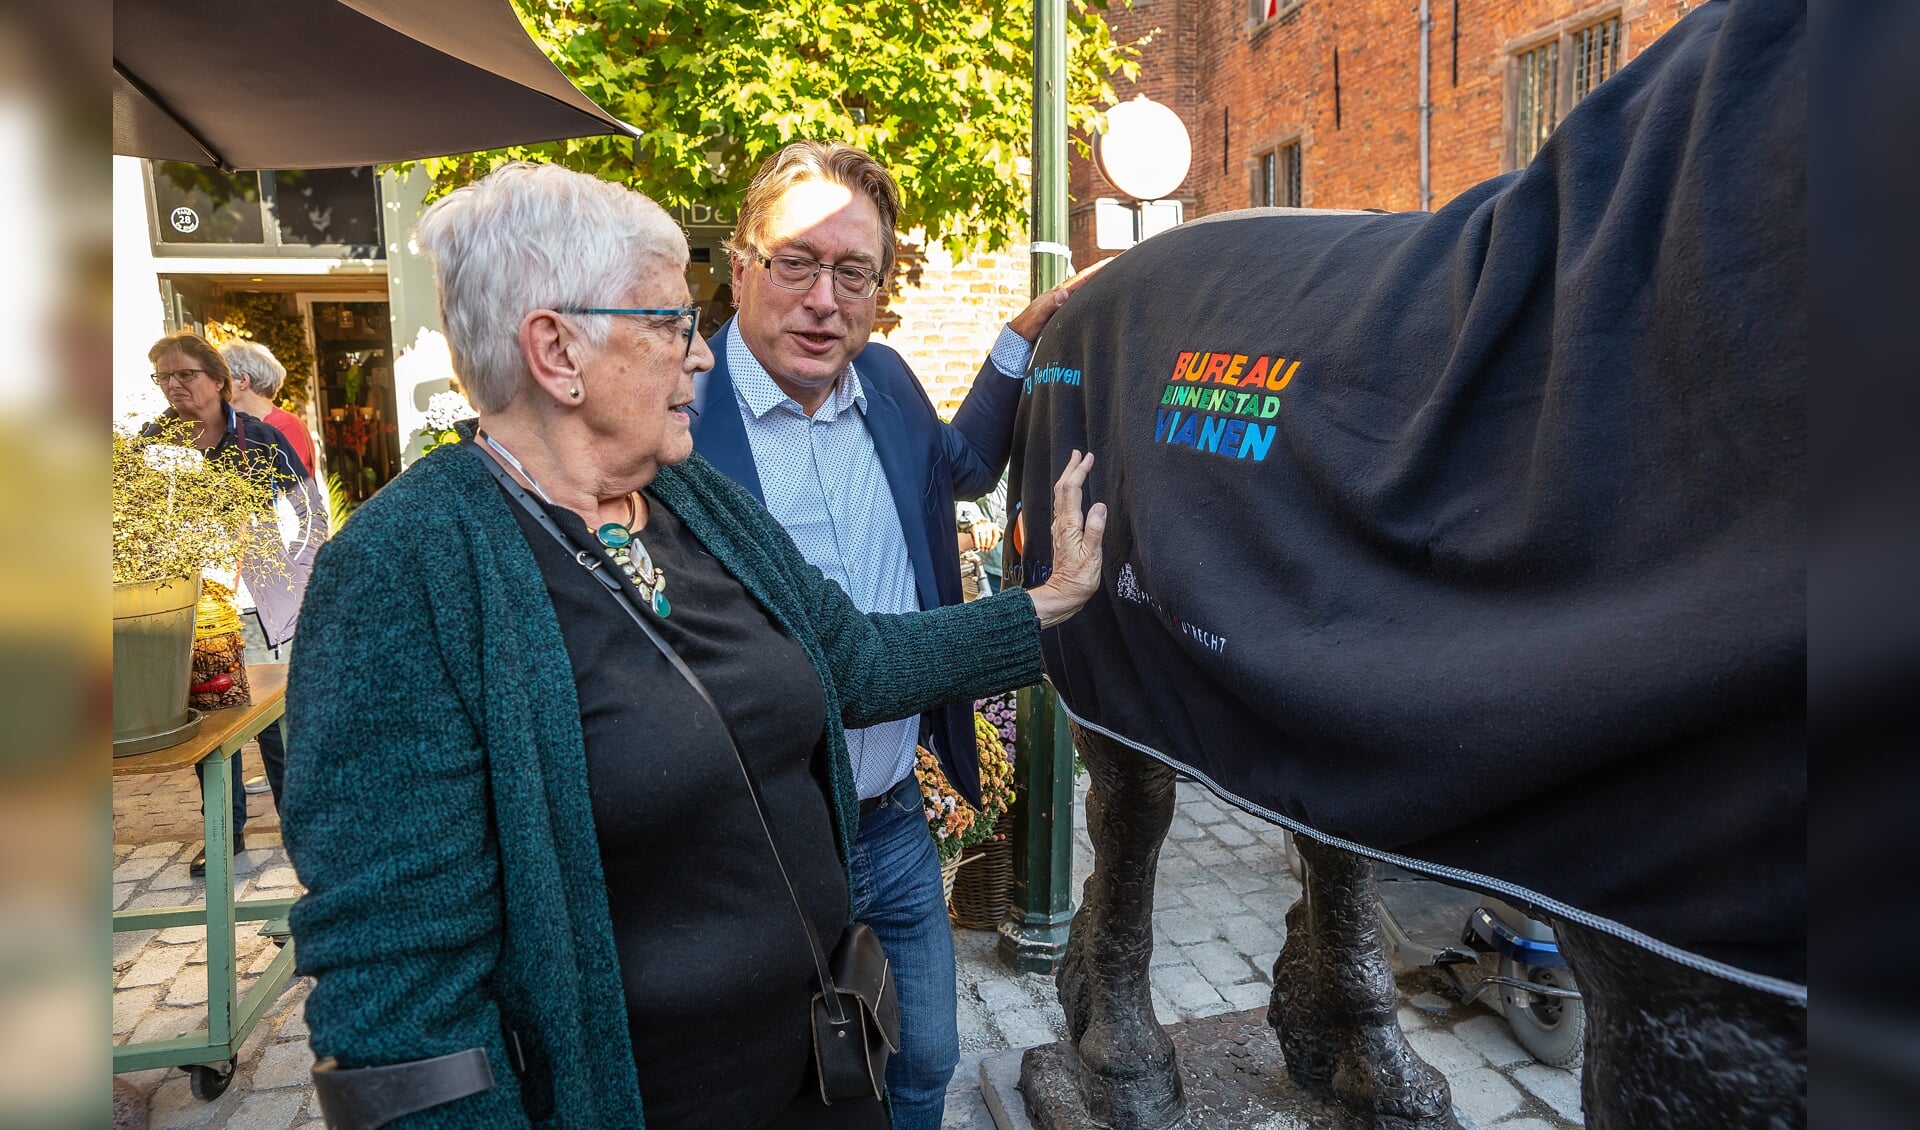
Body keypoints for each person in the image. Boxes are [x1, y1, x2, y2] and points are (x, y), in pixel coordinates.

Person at [279, 162, 1107, 1130]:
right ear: (556, 351)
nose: (705, 355)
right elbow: (402, 1023)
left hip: (824, 1074)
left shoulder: (686, 501)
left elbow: (856, 660)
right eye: (671, 324)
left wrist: (1047, 606)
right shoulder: (404, 571)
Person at [688, 141, 1099, 1129]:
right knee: (800, 1086)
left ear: (879, 287)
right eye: (797, 261)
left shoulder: (888, 383)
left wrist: (1016, 340)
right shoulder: (680, 423)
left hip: (893, 820)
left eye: (853, 271)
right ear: (743, 264)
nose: (823, 298)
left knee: (929, 1056)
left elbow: (958, 464)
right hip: (760, 839)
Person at [143, 332, 327, 873]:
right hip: (195, 605)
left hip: (259, 604)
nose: (174, 385)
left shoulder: (261, 439)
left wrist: (296, 576)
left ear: (219, 381)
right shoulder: (155, 441)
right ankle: (226, 832)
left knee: (274, 723)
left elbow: (310, 513)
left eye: (185, 374)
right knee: (208, 719)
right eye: (163, 377)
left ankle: (301, 833)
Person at [222, 339, 315, 474]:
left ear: (243, 380)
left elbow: (283, 484)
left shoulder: (285, 425)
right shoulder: (240, 426)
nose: (217, 386)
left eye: (222, 379)